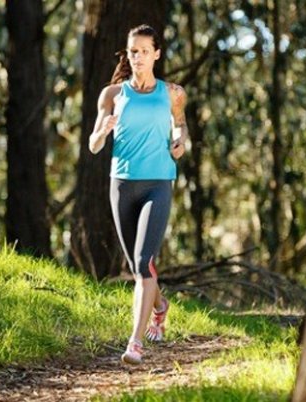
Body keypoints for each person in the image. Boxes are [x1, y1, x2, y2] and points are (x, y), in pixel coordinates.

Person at [88, 24, 188, 365]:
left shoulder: (173, 92)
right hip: (122, 184)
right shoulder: (112, 95)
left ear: (156, 54)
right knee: (136, 265)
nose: (138, 57)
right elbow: (93, 145)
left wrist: (180, 140)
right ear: (127, 54)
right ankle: (160, 305)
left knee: (144, 262)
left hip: (158, 182)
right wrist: (102, 132)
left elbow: (180, 123)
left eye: (145, 51)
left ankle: (135, 343)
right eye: (133, 52)